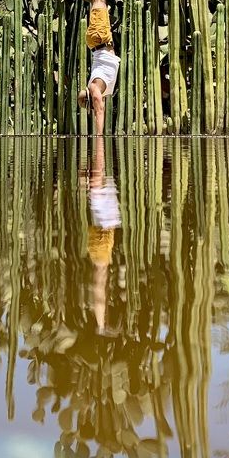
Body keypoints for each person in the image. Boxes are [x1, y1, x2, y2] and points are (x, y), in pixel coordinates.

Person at [77, 0, 122, 135]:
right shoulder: (100, 90)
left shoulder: (94, 89)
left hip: (99, 38)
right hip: (103, 40)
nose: (96, 103)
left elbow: (100, 110)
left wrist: (99, 135)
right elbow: (99, 106)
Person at [83, 135, 121, 334]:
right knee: (100, 276)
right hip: (102, 236)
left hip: (102, 236)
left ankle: (99, 324)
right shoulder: (97, 191)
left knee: (100, 277)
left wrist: (101, 326)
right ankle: (99, 324)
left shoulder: (97, 191)